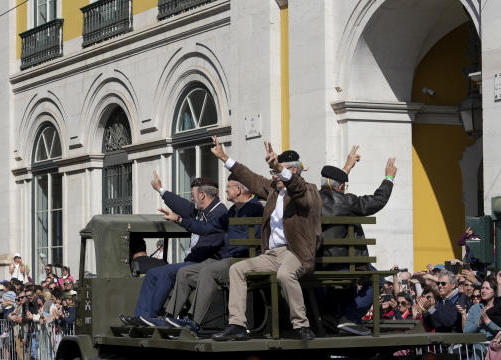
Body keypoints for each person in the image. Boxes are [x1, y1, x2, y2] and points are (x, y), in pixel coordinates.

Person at [210, 138, 321, 341]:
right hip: (273, 253)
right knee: (237, 269)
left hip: (296, 251)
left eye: (278, 172)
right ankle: (237, 325)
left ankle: (301, 325)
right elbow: (249, 177)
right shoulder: (273, 190)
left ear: (293, 172)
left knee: (284, 275)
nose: (275, 176)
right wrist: (225, 158)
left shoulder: (309, 190)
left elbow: (298, 190)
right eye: (274, 172)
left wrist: (279, 167)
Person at [120, 172, 226, 326]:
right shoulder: (200, 210)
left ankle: (152, 317)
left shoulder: (219, 213)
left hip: (206, 262)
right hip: (195, 261)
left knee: (167, 271)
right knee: (152, 274)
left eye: (193, 194)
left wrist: (179, 219)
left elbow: (204, 230)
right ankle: (141, 317)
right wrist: (160, 190)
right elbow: (181, 204)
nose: (191, 198)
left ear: (202, 195)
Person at [163, 177, 263, 331]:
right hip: (227, 258)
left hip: (243, 260)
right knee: (185, 272)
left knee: (209, 271)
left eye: (229, 187)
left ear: (239, 190)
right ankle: (169, 317)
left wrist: (227, 244)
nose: (225, 190)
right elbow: (207, 228)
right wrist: (179, 219)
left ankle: (193, 321)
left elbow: (250, 241)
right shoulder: (233, 210)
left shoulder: (255, 209)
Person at [318, 158, 397, 333]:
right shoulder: (346, 201)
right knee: (376, 279)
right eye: (344, 186)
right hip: (345, 265)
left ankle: (332, 318)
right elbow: (377, 201)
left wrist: (346, 168)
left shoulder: (310, 200)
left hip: (317, 264)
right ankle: (350, 318)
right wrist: (388, 178)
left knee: (341, 286)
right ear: (340, 187)